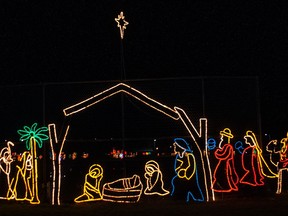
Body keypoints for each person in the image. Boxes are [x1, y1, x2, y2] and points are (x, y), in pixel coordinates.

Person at [170, 138, 204, 202]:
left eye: (175, 146)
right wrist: (179, 172)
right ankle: (179, 197)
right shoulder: (178, 157)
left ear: (180, 146)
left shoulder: (189, 155)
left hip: (190, 178)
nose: (174, 147)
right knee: (175, 180)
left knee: (185, 183)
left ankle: (188, 197)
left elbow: (191, 167)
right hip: (181, 177)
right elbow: (176, 168)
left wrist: (185, 173)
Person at [212, 128, 239, 192]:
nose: (221, 138)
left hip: (225, 164)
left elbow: (223, 155)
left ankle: (225, 187)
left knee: (223, 175)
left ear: (226, 137)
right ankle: (221, 187)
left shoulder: (228, 146)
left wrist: (217, 151)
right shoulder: (225, 146)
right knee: (219, 174)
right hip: (223, 163)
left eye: (223, 136)